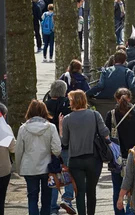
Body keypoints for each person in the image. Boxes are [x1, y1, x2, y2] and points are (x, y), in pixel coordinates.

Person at [59, 90, 110, 215]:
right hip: (93, 158)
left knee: (80, 191)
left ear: (73, 102)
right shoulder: (95, 115)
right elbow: (105, 133)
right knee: (91, 190)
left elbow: (64, 142)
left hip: (75, 160)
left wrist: (61, 128)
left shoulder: (67, 119)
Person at [15, 100, 61, 215]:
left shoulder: (23, 128)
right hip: (47, 168)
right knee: (46, 198)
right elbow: (57, 150)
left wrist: (18, 167)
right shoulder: (51, 127)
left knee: (32, 197)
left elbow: (19, 150)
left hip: (29, 167)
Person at [105, 88, 135, 215]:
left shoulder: (111, 115)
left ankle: (119, 212)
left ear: (116, 99)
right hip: (133, 157)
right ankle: (130, 212)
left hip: (116, 158)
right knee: (132, 188)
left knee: (117, 189)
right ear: (130, 99)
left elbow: (106, 135)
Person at [43, 80, 75, 215]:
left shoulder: (45, 105)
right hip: (66, 143)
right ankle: (67, 198)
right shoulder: (67, 104)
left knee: (53, 173)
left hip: (49, 145)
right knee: (67, 171)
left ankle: (52, 206)